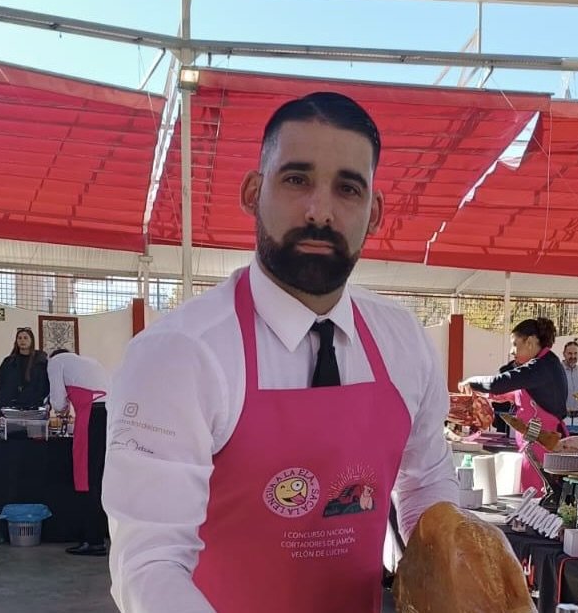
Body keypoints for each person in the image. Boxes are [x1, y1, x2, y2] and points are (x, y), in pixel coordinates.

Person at [104, 92, 457, 613]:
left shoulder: (403, 342)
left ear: (374, 211)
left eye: (348, 189)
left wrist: (453, 581)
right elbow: (149, 563)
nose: (320, 211)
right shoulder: (178, 355)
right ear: (253, 191)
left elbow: (426, 485)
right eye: (296, 180)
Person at [459, 318, 569, 492]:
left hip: (542, 446)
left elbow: (499, 382)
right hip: (534, 445)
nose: (512, 351)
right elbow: (522, 391)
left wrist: (472, 382)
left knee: (536, 500)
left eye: (515, 344)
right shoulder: (544, 364)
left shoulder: (541, 366)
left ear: (531, 342)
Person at [48, 348, 110, 557]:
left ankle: (93, 540)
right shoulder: (90, 361)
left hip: (92, 415)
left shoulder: (55, 362)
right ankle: (101, 534)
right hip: (110, 414)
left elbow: (57, 401)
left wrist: (61, 407)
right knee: (100, 477)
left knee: (86, 476)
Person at [0, 327, 49, 416]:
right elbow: (0, 382)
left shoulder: (40, 361)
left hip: (32, 405)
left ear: (31, 340)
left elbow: (44, 383)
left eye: (25, 338)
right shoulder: (9, 361)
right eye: (19, 338)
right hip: (10, 404)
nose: (22, 341)